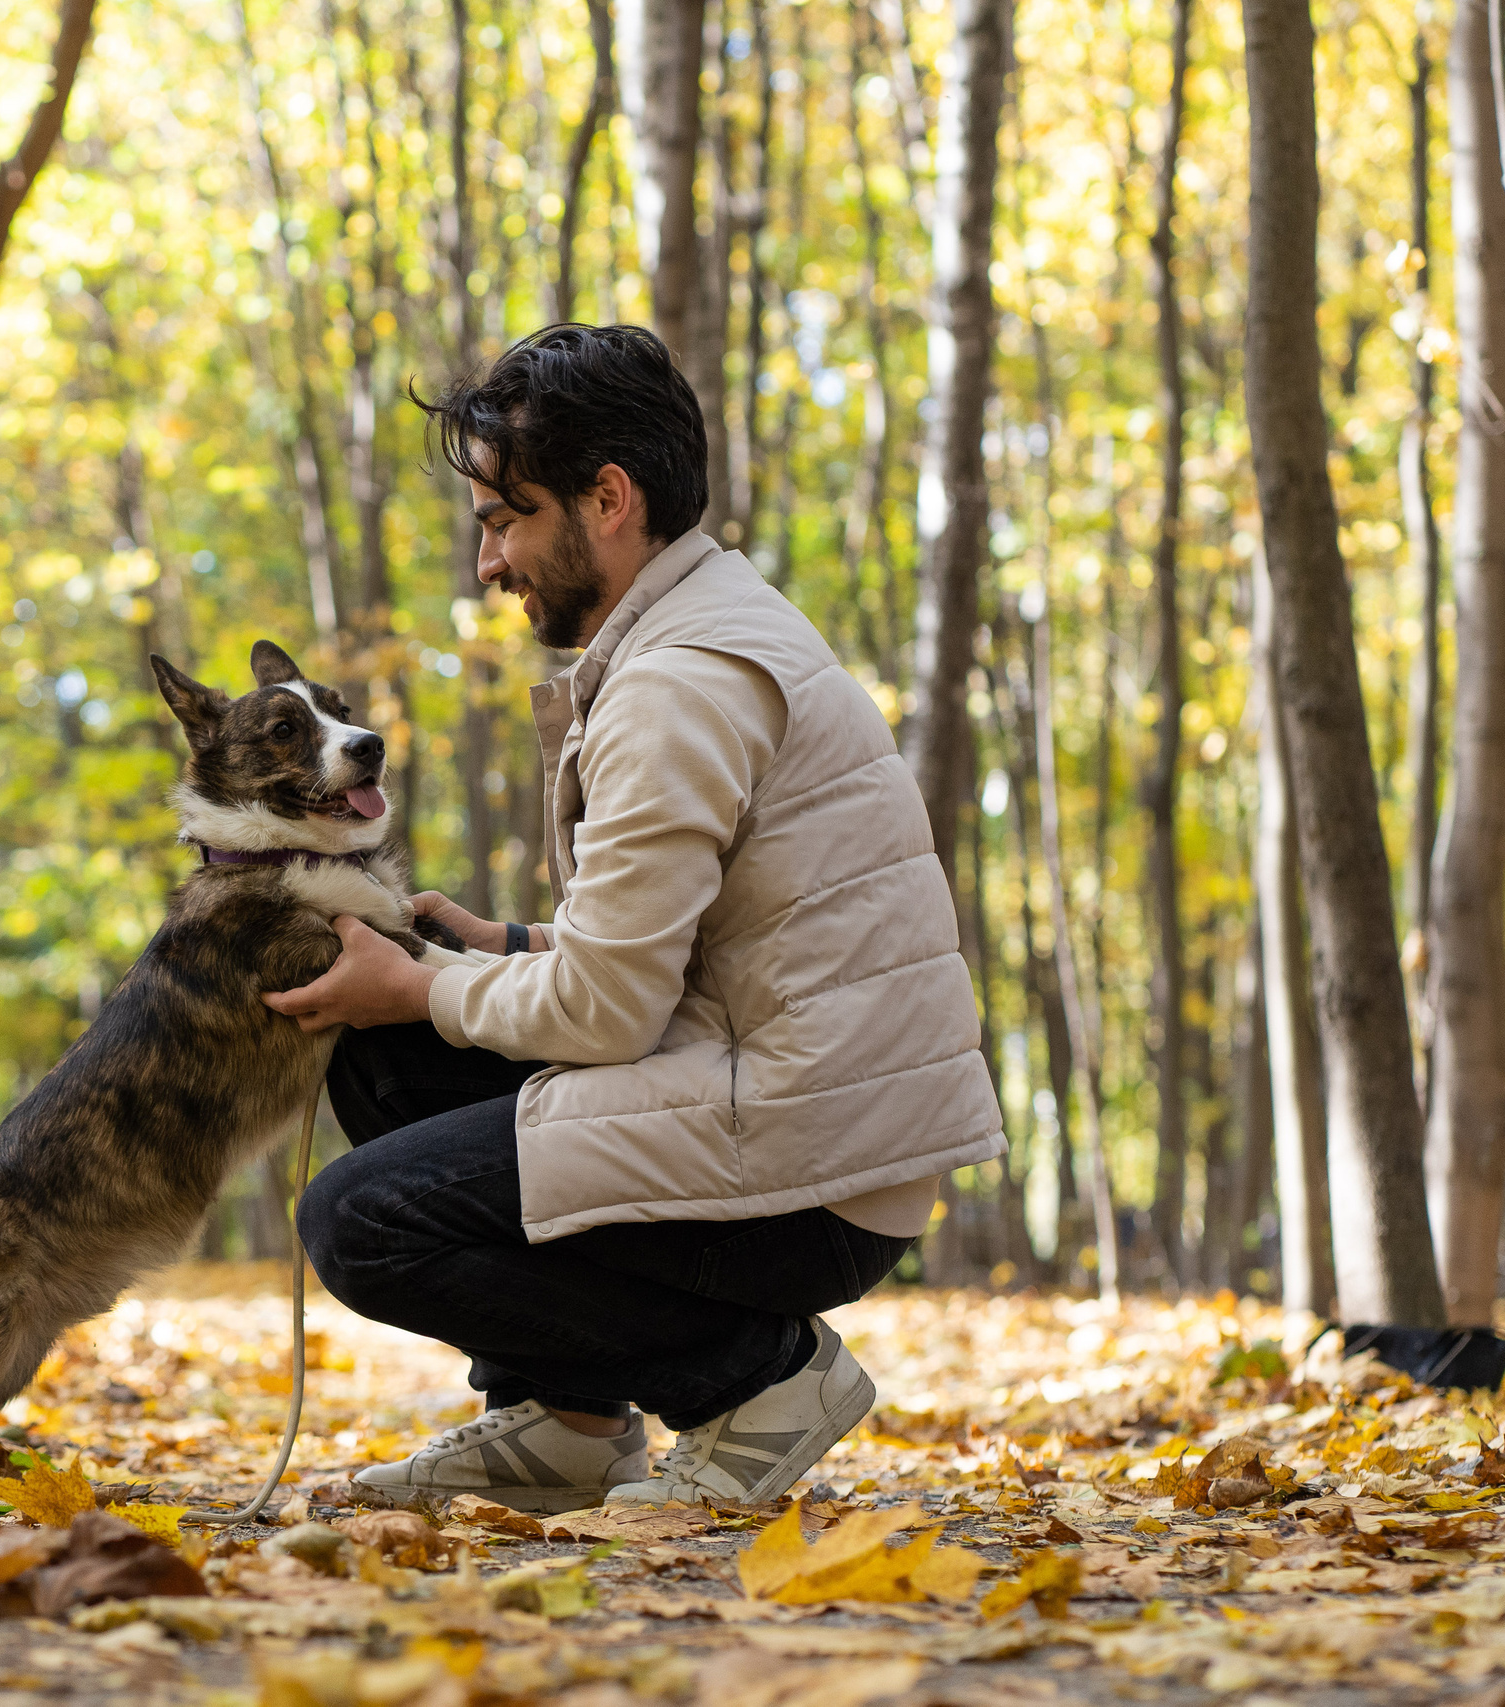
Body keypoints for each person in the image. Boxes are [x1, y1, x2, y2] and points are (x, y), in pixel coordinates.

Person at [263, 324, 1004, 1511]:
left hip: (813, 1167)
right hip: (779, 1090)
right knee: (390, 1053)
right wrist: (500, 952)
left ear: (607, 500)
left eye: (505, 521)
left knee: (360, 1223)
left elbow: (609, 1015)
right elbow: (705, 954)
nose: (488, 565)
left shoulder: (677, 682)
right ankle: (564, 1422)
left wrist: (421, 983)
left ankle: (761, 1382)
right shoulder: (698, 628)